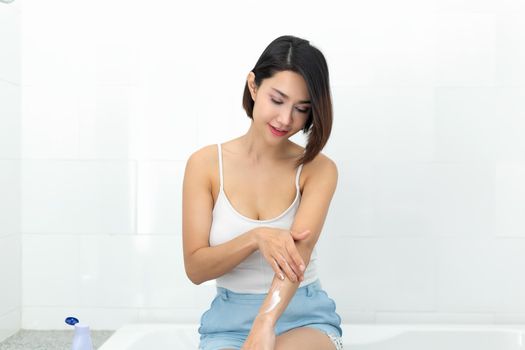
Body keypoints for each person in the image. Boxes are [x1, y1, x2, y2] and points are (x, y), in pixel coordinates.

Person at [182, 35, 343, 350]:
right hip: (227, 324)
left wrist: (265, 323)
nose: (286, 120)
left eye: (301, 109)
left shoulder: (318, 169)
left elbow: (298, 259)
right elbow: (196, 269)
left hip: (303, 318)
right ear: (254, 86)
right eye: (278, 100)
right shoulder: (205, 165)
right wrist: (256, 238)